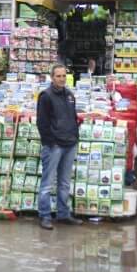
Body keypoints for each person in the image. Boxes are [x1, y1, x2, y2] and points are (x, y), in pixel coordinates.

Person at [35, 65, 82, 230]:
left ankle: (63, 214)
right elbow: (41, 122)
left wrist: (75, 137)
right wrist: (50, 142)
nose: (62, 79)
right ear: (52, 77)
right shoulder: (46, 96)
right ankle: (45, 216)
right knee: (47, 182)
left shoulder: (69, 95)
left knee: (64, 182)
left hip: (70, 143)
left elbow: (73, 117)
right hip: (54, 145)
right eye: (58, 76)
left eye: (63, 76)